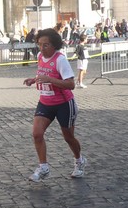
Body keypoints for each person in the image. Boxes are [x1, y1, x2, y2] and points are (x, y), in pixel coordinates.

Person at [23, 28, 86, 182]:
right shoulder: (39, 56)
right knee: (37, 134)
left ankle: (79, 160)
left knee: (68, 137)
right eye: (39, 45)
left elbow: (71, 84)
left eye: (46, 45)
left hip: (64, 104)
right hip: (45, 102)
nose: (42, 48)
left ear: (54, 45)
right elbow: (43, 74)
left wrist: (50, 80)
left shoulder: (60, 59)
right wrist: (34, 79)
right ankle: (43, 167)